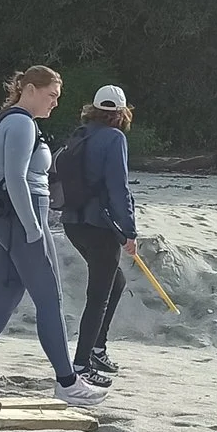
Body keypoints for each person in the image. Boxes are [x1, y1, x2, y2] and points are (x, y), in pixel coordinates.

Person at [0, 66, 108, 407]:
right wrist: (33, 227)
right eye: (51, 95)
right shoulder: (22, 122)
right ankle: (67, 382)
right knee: (50, 300)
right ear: (30, 90)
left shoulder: (6, 119)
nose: (54, 103)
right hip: (22, 218)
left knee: (6, 295)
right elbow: (16, 178)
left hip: (4, 219)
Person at [58, 85, 138, 377]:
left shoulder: (80, 134)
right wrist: (129, 231)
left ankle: (96, 349)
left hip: (73, 223)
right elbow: (119, 188)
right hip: (100, 226)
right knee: (99, 295)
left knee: (115, 282)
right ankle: (81, 364)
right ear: (120, 113)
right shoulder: (114, 138)